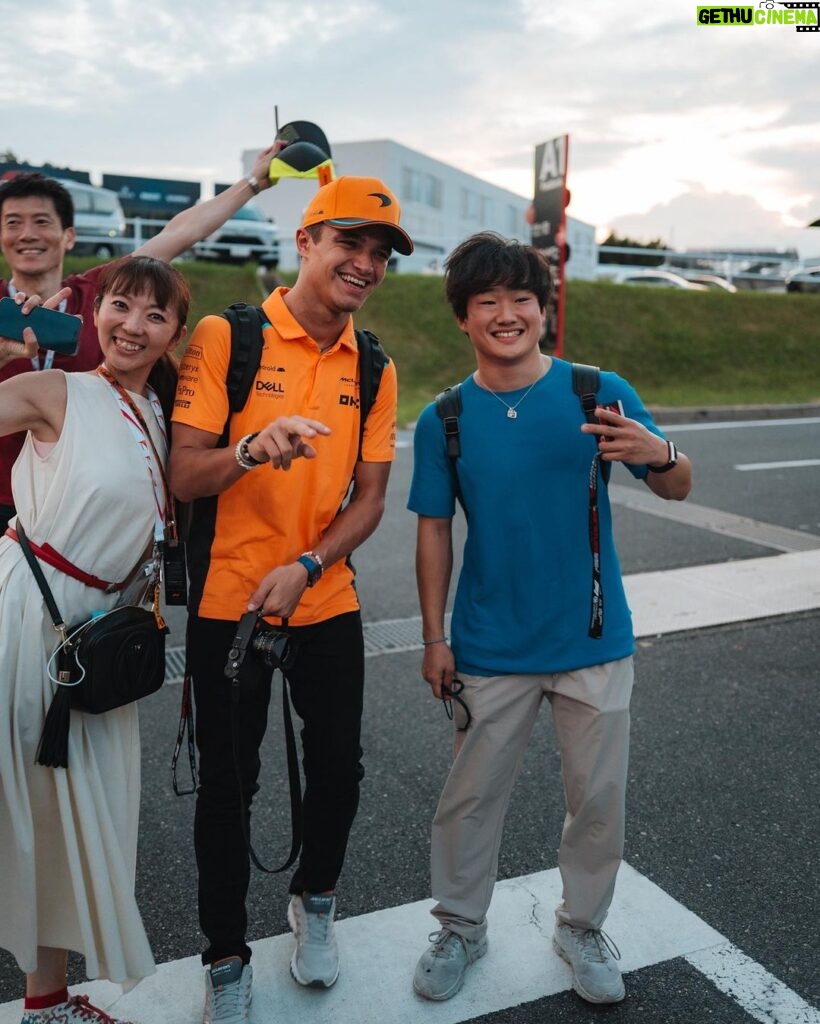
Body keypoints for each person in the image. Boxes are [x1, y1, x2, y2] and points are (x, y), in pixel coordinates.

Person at [408, 232, 692, 1006]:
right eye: (487, 302)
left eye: (521, 299)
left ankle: (582, 925)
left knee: (597, 799)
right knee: (469, 798)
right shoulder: (445, 419)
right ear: (463, 319)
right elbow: (434, 529)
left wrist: (659, 452)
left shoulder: (595, 391)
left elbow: (678, 484)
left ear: (544, 309)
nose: (507, 314)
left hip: (594, 639)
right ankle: (461, 926)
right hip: (489, 644)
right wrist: (434, 637)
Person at [168, 176, 413, 1024]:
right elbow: (183, 470)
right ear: (306, 241)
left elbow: (371, 499)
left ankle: (315, 903)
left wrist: (308, 565)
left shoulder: (372, 364)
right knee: (228, 788)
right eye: (351, 243)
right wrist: (247, 451)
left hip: (323, 598)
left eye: (381, 254)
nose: (366, 264)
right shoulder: (225, 335)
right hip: (227, 605)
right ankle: (226, 957)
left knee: (338, 772)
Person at [0, 256, 190, 1023]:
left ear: (175, 333)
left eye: (155, 315)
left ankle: (45, 999)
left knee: (65, 815)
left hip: (98, 645)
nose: (132, 325)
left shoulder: (156, 412)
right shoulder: (57, 390)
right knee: (22, 807)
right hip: (30, 621)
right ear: (92, 312)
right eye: (119, 305)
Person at [0, 143, 281, 531]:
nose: (27, 234)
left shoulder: (105, 292)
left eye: (42, 222)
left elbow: (180, 232)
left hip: (80, 510)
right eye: (13, 222)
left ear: (69, 236)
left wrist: (252, 182)